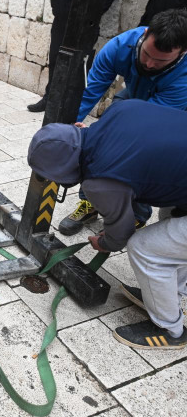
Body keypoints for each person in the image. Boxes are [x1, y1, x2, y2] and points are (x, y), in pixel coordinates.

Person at [27, 99, 187, 349]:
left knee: (145, 248)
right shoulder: (118, 110)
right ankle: (164, 295)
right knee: (171, 229)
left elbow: (121, 233)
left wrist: (103, 242)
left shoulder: (98, 181)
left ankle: (171, 329)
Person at [57, 8, 187, 235]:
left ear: (182, 53)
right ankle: (90, 202)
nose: (148, 64)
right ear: (145, 34)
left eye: (160, 61)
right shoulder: (119, 47)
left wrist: (101, 139)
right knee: (98, 141)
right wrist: (67, 130)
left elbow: (145, 128)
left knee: (141, 155)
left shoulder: (183, 78)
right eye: (146, 54)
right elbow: (88, 94)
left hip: (167, 113)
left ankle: (135, 215)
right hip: (133, 96)